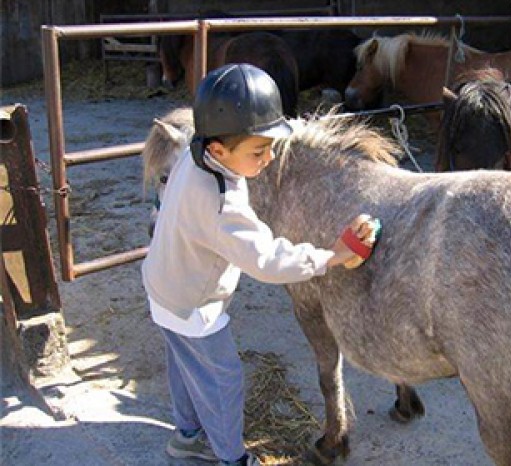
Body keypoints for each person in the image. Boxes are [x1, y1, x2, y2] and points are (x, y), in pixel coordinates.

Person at [141, 63, 378, 466]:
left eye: (271, 145)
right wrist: (333, 255)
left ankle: (187, 435)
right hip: (194, 307)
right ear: (219, 150)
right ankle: (233, 459)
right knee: (222, 380)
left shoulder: (193, 155)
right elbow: (267, 260)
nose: (269, 158)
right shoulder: (220, 201)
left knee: (185, 367)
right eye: (258, 150)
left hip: (163, 289)